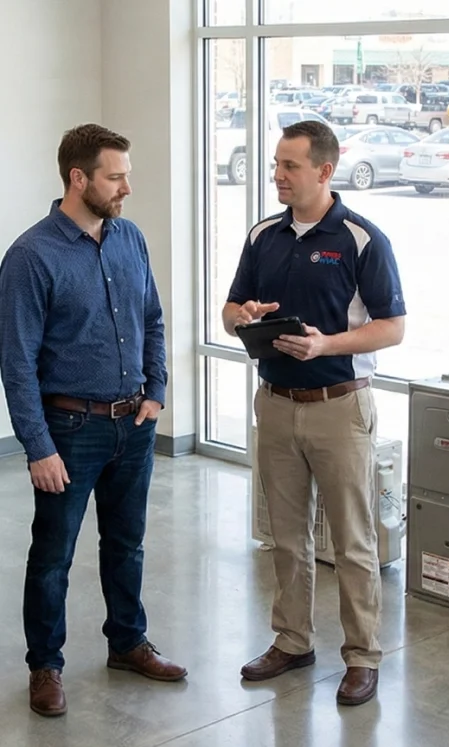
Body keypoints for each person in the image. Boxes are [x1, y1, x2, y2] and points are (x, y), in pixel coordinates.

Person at [0, 124, 187, 718]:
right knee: (53, 553)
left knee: (127, 542)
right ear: (78, 178)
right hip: (69, 432)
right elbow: (17, 362)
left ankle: (127, 642)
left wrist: (155, 390)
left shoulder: (129, 238)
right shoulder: (31, 257)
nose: (127, 187)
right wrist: (37, 447)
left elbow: (152, 318)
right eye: (115, 176)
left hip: (133, 424)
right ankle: (45, 665)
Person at [224, 120, 405, 706]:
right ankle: (293, 640)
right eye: (276, 164)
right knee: (286, 536)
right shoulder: (262, 236)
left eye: (289, 166)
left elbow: (393, 327)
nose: (277, 175)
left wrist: (326, 344)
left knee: (353, 540)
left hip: (340, 408)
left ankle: (363, 656)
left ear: (324, 171)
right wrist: (243, 314)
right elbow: (229, 310)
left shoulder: (360, 238)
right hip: (274, 405)